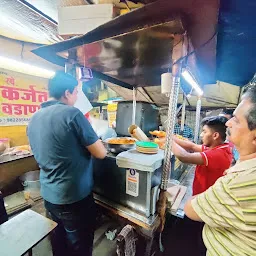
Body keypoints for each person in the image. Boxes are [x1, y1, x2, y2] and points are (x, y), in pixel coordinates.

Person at [27, 71, 107, 256]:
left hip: (49, 195)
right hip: (74, 197)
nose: (77, 96)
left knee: (59, 243)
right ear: (67, 93)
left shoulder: (33, 119)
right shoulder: (72, 114)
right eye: (76, 92)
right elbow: (101, 153)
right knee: (80, 246)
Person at [184, 86, 256, 255]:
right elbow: (193, 146)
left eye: (236, 120)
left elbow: (190, 209)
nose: (229, 122)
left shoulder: (239, 182)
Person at [172, 115, 232, 196]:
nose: (201, 135)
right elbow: (192, 146)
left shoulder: (219, 154)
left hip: (207, 199)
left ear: (215, 135)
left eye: (204, 131)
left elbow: (184, 157)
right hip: (202, 195)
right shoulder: (216, 146)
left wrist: (169, 141)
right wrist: (172, 138)